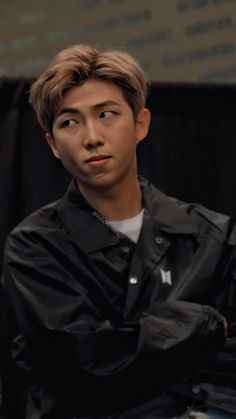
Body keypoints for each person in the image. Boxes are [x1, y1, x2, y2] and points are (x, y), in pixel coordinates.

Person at [1, 44, 236, 419]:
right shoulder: (36, 246)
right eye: (69, 122)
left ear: (140, 123)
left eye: (106, 114)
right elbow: (86, 367)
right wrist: (205, 324)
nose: (92, 137)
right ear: (53, 145)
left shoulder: (213, 237)